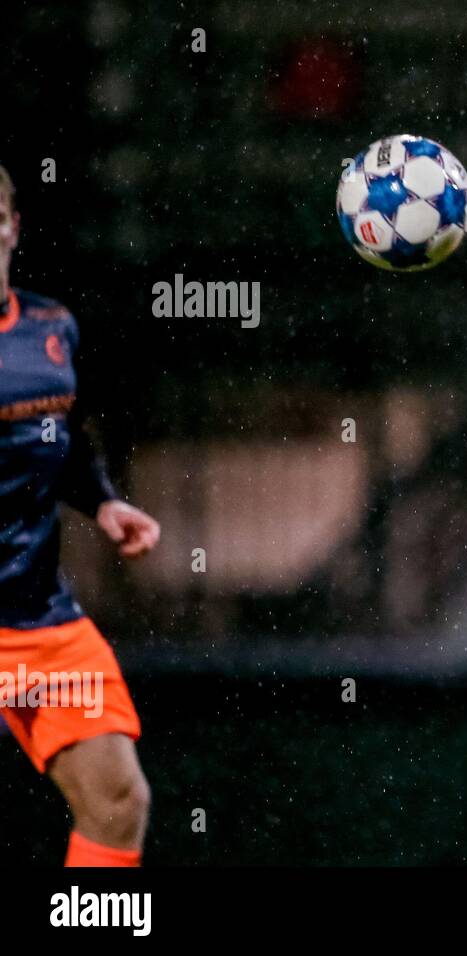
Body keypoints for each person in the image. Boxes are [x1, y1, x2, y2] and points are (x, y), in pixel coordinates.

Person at [0, 162, 160, 866]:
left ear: (11, 226)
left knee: (119, 801)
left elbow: (59, 439)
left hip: (37, 621)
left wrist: (103, 503)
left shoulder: (49, 327)